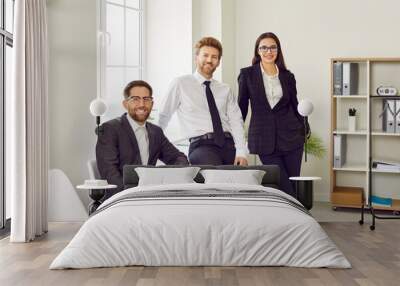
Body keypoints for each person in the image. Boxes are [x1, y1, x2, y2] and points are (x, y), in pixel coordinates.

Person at [159, 37, 248, 166]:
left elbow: (236, 121)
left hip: (229, 145)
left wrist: (241, 151)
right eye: (205, 55)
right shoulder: (180, 84)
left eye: (214, 57)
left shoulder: (225, 89)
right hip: (201, 147)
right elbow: (163, 116)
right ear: (196, 58)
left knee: (241, 183)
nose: (209, 60)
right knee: (216, 180)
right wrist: (153, 147)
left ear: (218, 62)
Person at [238, 32, 307, 197]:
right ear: (258, 51)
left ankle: (294, 220)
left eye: (273, 47)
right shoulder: (247, 74)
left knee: (293, 182)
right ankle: (298, 217)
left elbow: (295, 105)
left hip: (292, 138)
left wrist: (303, 128)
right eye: (264, 47)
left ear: (278, 50)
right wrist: (237, 140)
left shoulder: (287, 76)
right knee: (284, 186)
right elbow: (242, 107)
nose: (269, 51)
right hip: (264, 139)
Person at [96, 80, 188, 200]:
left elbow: (178, 158)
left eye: (146, 99)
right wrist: (131, 195)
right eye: (135, 99)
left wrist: (167, 179)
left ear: (152, 103)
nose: (142, 104)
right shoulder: (110, 129)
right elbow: (109, 172)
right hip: (121, 198)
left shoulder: (156, 132)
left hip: (149, 196)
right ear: (125, 104)